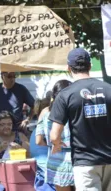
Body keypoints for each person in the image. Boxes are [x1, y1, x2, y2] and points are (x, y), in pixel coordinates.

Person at [49, 48, 111, 191]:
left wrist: (57, 144)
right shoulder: (108, 89)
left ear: (68, 68)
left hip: (85, 163)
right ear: (89, 66)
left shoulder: (65, 95)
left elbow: (54, 135)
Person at [36, 80, 74, 191]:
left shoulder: (45, 112)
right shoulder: (74, 110)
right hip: (75, 158)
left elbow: (38, 141)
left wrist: (51, 145)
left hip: (55, 161)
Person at [0, 111, 29, 191]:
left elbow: (30, 157)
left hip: (20, 173)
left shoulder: (20, 137)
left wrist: (20, 149)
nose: (6, 127)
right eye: (2, 124)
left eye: (9, 124)